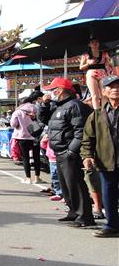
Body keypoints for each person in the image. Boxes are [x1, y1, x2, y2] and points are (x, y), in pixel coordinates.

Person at [42, 77, 95, 227]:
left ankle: (84, 216)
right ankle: (73, 211)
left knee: (76, 184)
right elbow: (44, 120)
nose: (50, 93)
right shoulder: (59, 106)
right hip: (60, 151)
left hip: (68, 151)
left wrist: (71, 151)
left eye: (52, 90)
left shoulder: (74, 106)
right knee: (66, 185)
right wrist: (44, 105)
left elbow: (80, 131)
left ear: (59, 90)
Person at [82, 75, 119, 237]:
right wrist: (87, 155)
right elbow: (88, 138)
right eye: (111, 87)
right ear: (104, 92)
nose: (116, 89)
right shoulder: (97, 115)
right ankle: (112, 226)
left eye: (118, 86)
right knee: (109, 195)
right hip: (106, 161)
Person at [10, 101, 42, 184]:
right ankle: (37, 178)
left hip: (22, 137)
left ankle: (28, 178)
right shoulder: (36, 109)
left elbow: (13, 124)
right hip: (35, 136)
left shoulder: (17, 112)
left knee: (25, 158)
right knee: (36, 157)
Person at [80, 38, 114, 110]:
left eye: (96, 42)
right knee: (94, 95)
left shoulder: (104, 54)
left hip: (103, 74)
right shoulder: (85, 55)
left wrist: (109, 64)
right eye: (92, 42)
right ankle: (97, 113)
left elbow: (109, 64)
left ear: (99, 44)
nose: (95, 44)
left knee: (104, 94)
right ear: (89, 44)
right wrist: (88, 63)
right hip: (91, 74)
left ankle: (105, 111)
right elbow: (81, 67)